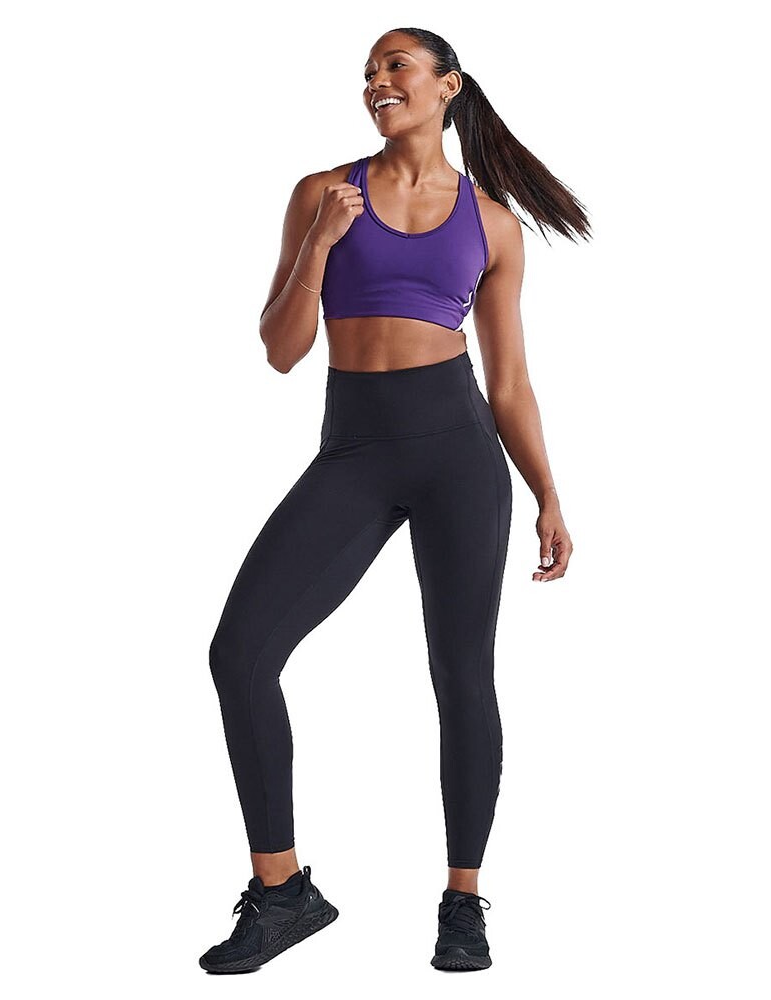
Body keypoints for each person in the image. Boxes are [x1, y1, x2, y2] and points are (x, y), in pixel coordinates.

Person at [198, 26, 590, 974]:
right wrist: (321, 245)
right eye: (368, 72)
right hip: (356, 452)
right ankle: (283, 895)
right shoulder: (322, 195)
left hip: (459, 454)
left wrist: (547, 491)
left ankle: (463, 900)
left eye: (395, 66)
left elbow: (510, 383)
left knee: (462, 677)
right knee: (240, 653)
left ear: (447, 85)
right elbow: (282, 350)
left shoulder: (492, 225)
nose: (377, 81)